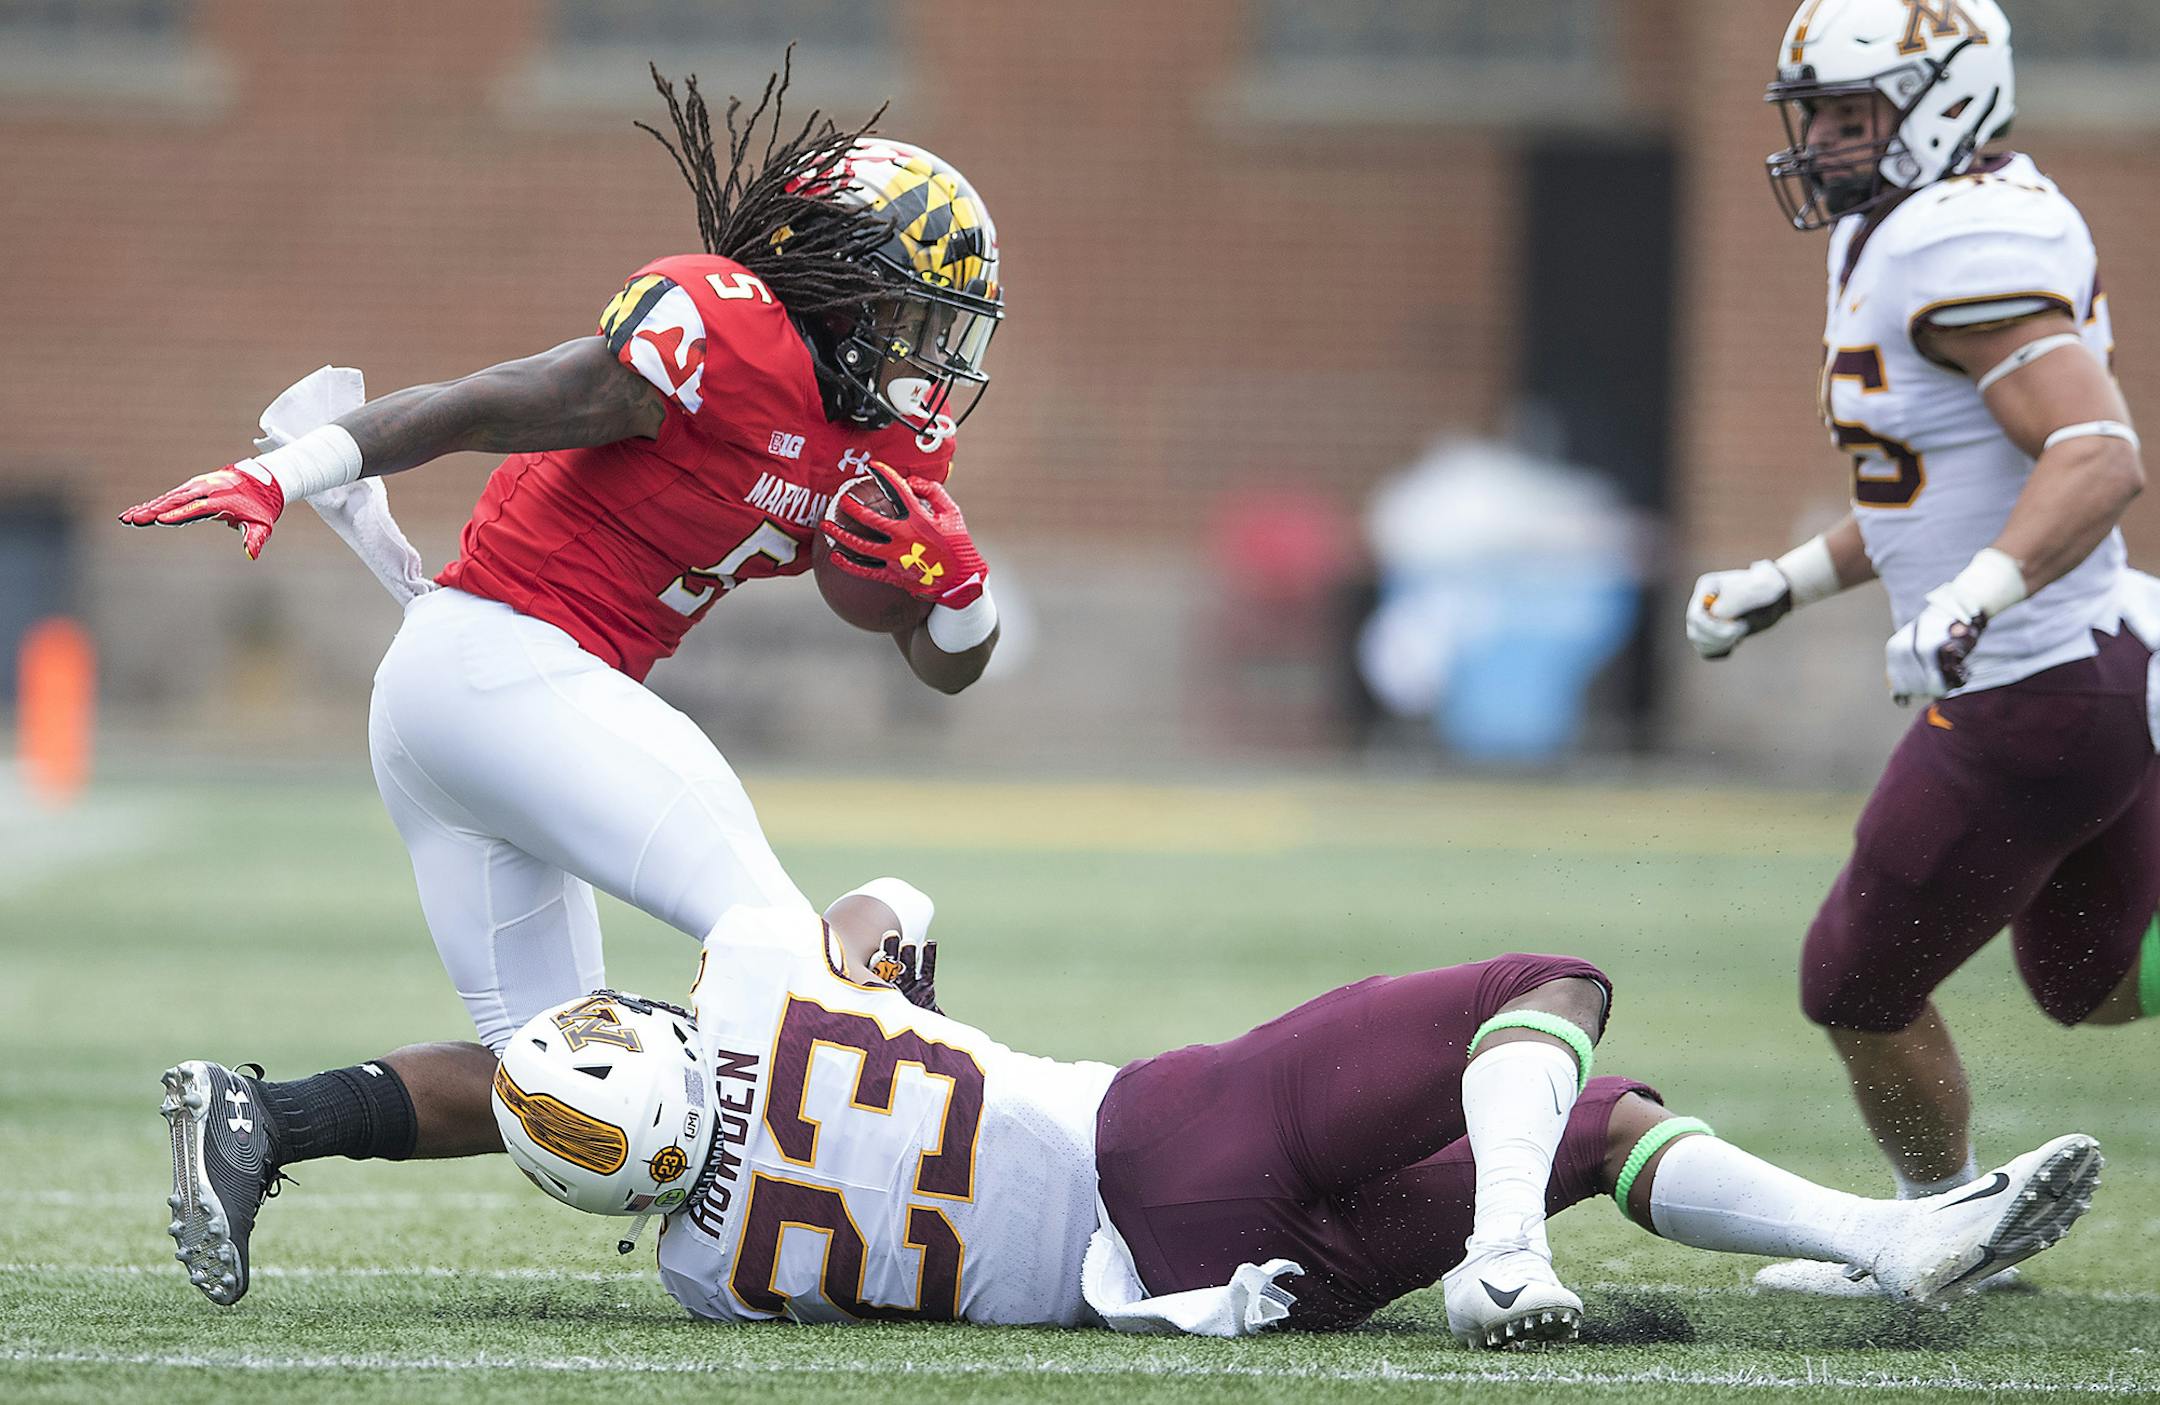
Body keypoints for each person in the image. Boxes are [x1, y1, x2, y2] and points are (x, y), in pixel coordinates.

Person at [132, 60, 1006, 1306]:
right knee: (781, 955)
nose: (932, 354)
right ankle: (903, 1200)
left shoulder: (879, 439)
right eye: (917, 318)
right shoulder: (725, 334)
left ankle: (256, 1120)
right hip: (505, 666)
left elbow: (940, 664)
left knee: (567, 1083)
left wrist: (962, 592)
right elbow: (483, 403)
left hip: (455, 699)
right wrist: (287, 469)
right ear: (842, 291)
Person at [475, 907, 2097, 1346]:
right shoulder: (748, 980)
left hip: (1211, 1289)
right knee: (1542, 985)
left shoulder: (704, 1280)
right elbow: (881, 917)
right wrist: (884, 979)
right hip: (1172, 1142)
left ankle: (1890, 1239)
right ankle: (1507, 1255)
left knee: (1601, 1122)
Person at [1685, 0, 2153, 1297]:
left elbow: (2099, 452)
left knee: (1852, 978)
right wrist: (1787, 580)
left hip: (2034, 690)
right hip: (2095, 670)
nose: (1824, 144)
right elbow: (1929, 484)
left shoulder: (1958, 240)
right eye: (1817, 117)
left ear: (1948, 97)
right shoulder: (1926, 219)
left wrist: (1974, 600)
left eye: (1851, 114)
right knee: (2090, 983)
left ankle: (1935, 1224)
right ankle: (1946, 1214)